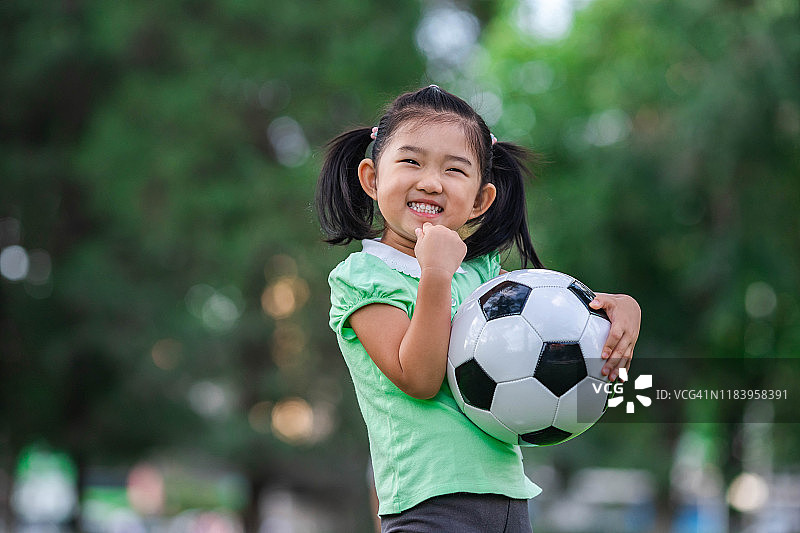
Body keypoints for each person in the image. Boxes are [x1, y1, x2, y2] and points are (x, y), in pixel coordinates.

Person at [316, 85, 641, 532]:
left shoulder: (484, 274)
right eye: (411, 161)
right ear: (372, 178)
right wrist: (435, 275)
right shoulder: (363, 277)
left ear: (479, 201)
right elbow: (420, 378)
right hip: (426, 506)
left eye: (454, 169)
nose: (431, 181)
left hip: (509, 501)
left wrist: (617, 312)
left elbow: (555, 325)